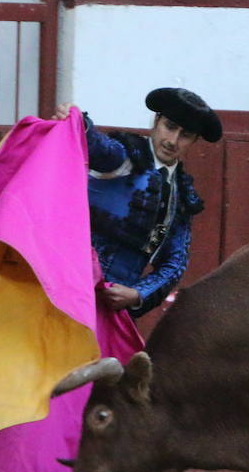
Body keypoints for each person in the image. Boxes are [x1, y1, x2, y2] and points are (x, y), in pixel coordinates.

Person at [85, 88, 221, 321]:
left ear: (194, 141)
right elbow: (97, 146)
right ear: (156, 121)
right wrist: (81, 123)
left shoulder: (182, 197)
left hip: (112, 309)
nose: (172, 141)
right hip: (71, 283)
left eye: (185, 135)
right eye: (170, 127)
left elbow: (174, 262)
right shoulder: (126, 155)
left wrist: (137, 293)